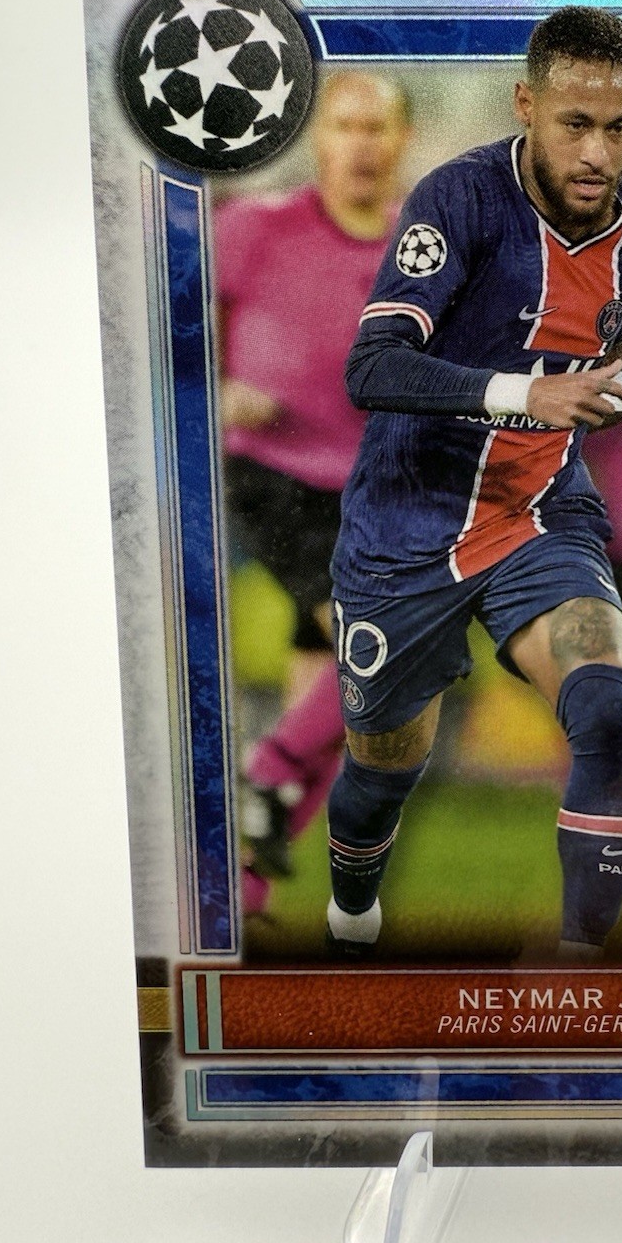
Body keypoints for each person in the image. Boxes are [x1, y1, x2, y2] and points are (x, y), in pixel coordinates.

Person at [323, 6, 622, 961]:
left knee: (604, 708)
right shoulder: (460, 201)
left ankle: (579, 975)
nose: (597, 153)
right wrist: (528, 393)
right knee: (382, 771)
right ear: (526, 105)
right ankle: (351, 909)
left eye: (619, 127)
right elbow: (373, 366)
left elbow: (595, 336)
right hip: (407, 524)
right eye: (575, 124)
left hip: (536, 512)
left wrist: (613, 382)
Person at [216, 72, 412, 909]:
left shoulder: (422, 252)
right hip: (274, 473)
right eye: (345, 126)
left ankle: (244, 887)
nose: (361, 144)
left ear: (403, 141)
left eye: (377, 127)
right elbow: (158, 331)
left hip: (370, 493)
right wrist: (215, 388)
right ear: (317, 139)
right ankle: (261, 776)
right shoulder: (253, 226)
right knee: (379, 659)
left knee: (346, 711)